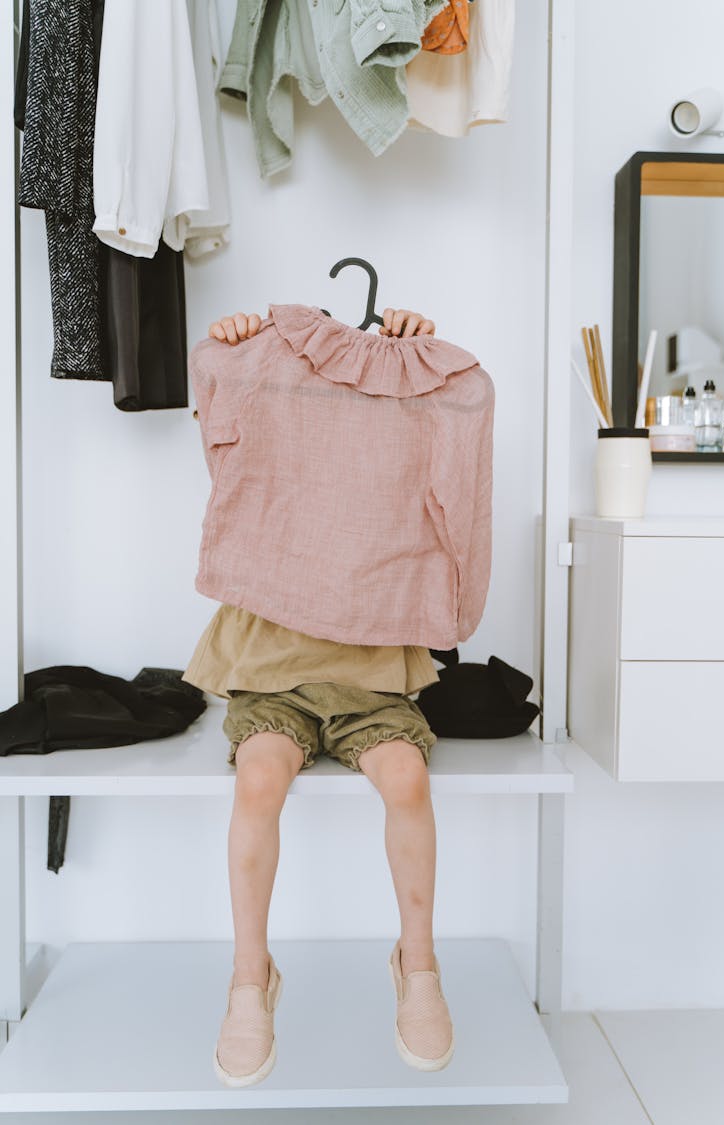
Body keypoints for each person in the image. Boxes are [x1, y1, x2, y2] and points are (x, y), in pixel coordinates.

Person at [190, 306, 454, 1088]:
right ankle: (249, 978)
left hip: (372, 663)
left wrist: (414, 348)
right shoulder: (265, 377)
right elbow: (211, 415)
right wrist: (227, 347)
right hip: (275, 664)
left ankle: (419, 962)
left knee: (406, 777)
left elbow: (445, 414)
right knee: (259, 778)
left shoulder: (394, 383)